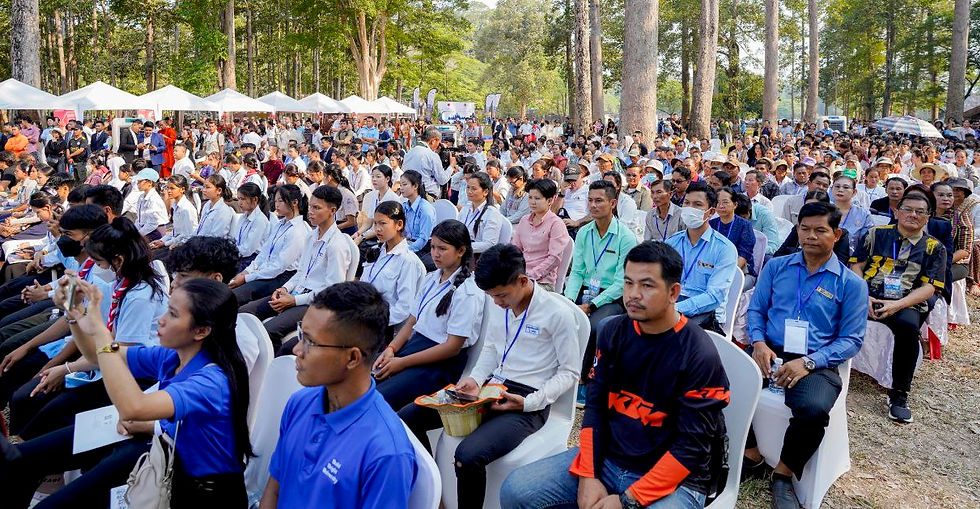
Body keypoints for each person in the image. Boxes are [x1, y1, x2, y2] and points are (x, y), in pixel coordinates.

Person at [500, 241, 730, 509]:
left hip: (676, 480)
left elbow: (691, 449)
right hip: (610, 459)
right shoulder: (612, 332)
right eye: (628, 283)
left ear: (673, 292)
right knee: (516, 490)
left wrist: (627, 501)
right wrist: (588, 475)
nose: (633, 294)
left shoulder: (699, 353)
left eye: (647, 286)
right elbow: (595, 407)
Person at [1, 278, 250, 507]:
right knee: (21, 460)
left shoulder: (211, 381)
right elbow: (96, 356)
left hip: (197, 492)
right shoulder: (172, 356)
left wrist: (100, 332)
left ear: (201, 331)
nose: (161, 319)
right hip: (167, 458)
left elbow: (133, 408)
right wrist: (75, 314)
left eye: (173, 314)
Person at [399, 244, 580, 507]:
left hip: (526, 400)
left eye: (502, 295)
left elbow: (570, 372)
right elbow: (492, 348)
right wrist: (475, 379)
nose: (497, 302)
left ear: (522, 280)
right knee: (408, 417)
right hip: (491, 387)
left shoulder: (557, 314)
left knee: (468, 456)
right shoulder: (500, 304)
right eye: (492, 296)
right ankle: (433, 493)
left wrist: (529, 402)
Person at [744, 202, 868, 508]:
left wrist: (810, 362)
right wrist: (758, 343)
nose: (810, 236)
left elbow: (851, 339)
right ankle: (752, 453)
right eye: (805, 229)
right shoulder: (777, 267)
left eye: (820, 230)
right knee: (719, 383)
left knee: (813, 409)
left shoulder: (851, 284)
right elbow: (756, 310)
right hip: (769, 349)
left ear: (837, 234)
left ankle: (783, 474)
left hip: (817, 360)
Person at [7, 217, 169, 440]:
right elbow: (100, 344)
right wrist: (72, 311)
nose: (96, 267)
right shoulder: (120, 283)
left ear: (118, 260)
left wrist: (66, 367)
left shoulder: (139, 295)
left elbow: (112, 350)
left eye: (99, 262)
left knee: (46, 411)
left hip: (133, 376)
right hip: (106, 361)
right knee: (29, 396)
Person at [259, 282, 418, 508]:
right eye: (301, 334)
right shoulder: (300, 402)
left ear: (352, 358)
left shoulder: (386, 453)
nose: (297, 350)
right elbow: (274, 489)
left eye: (310, 342)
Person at [850, 193, 946, 423]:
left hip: (905, 301)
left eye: (920, 212)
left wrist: (897, 305)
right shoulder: (875, 234)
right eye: (908, 209)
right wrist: (863, 296)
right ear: (897, 212)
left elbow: (930, 288)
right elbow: (856, 266)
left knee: (907, 328)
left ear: (928, 217)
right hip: (867, 294)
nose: (913, 215)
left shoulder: (934, 247)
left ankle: (899, 394)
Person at [372, 220, 484, 410]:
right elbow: (411, 322)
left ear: (461, 251)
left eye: (442, 248)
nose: (435, 253)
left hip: (440, 364)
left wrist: (402, 362)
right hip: (416, 348)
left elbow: (452, 347)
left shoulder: (467, 293)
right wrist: (391, 349)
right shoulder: (431, 278)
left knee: (379, 397)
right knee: (364, 380)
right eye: (432, 247)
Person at [240, 185, 351, 352]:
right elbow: (301, 272)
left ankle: (275, 363)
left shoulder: (337, 245)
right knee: (246, 311)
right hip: (295, 292)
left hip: (314, 302)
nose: (310, 212)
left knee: (268, 331)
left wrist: (295, 300)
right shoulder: (311, 236)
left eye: (316, 208)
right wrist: (285, 289)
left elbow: (331, 291)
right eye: (310, 206)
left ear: (332, 210)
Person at [563, 180, 638, 395]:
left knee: (594, 326)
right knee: (561, 315)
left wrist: (592, 305)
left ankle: (585, 379)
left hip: (610, 296)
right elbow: (577, 272)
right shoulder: (585, 232)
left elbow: (620, 282)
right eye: (590, 200)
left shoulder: (625, 237)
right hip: (584, 290)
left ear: (612, 203)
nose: (593, 205)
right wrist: (569, 300)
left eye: (599, 200)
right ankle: (561, 372)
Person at [665, 182, 738, 332]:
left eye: (697, 204)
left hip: (705, 314)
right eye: (686, 203)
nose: (690, 208)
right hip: (670, 305)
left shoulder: (724, 248)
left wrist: (675, 309)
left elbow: (714, 296)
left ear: (711, 212)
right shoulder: (672, 242)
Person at [229, 185, 311, 304]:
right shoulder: (280, 224)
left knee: (236, 295)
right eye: (276, 201)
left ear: (294, 202)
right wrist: (246, 272)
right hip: (266, 271)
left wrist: (247, 278)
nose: (276, 205)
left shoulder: (298, 231)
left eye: (280, 201)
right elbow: (264, 253)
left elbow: (279, 266)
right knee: (231, 286)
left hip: (281, 276)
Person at [361, 200, 427, 341]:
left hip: (386, 327)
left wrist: (373, 321)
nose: (377, 229)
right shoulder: (376, 251)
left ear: (399, 225)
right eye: (375, 224)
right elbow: (363, 284)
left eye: (383, 223)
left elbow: (404, 307)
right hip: (365, 315)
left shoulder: (407, 261)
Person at [512, 178, 573, 291]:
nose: (532, 202)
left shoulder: (556, 224)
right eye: (530, 197)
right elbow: (515, 250)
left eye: (537, 198)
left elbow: (554, 259)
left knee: (511, 294)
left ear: (549, 200)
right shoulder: (524, 220)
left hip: (542, 282)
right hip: (520, 275)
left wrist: (530, 275)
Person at [709, 188, 757, 289]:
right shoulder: (711, 224)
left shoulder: (744, 225)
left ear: (735, 205)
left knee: (729, 290)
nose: (721, 206)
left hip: (740, 272)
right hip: (713, 270)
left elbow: (744, 255)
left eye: (725, 202)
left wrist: (725, 275)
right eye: (717, 202)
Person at [149, 174, 199, 259]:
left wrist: (166, 243)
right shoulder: (175, 205)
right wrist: (162, 240)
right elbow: (175, 231)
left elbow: (187, 235)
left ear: (182, 189)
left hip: (183, 247)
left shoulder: (186, 209)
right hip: (175, 243)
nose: (169, 191)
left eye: (172, 188)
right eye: (168, 188)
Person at [457, 171, 505, 255]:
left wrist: (463, 248)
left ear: (485, 192)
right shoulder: (466, 208)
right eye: (468, 187)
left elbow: (489, 244)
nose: (469, 191)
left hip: (476, 255)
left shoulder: (492, 213)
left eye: (474, 189)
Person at [353, 164, 400, 246]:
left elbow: (385, 226)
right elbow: (369, 221)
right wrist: (358, 233)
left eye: (378, 177)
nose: (374, 179)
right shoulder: (373, 196)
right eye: (373, 176)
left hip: (385, 238)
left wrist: (362, 237)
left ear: (387, 179)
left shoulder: (393, 199)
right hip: (371, 235)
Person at [400, 169, 437, 271]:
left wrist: (405, 250)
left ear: (415, 186)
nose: (401, 188)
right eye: (400, 185)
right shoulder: (404, 206)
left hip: (423, 248)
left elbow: (423, 239)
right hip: (408, 244)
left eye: (404, 184)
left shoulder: (425, 209)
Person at [832, 174, 875, 254]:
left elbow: (867, 242)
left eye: (846, 187)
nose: (840, 190)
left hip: (853, 258)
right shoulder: (824, 210)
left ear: (854, 192)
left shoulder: (864, 214)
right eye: (837, 186)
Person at [402, 127, 450, 197]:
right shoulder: (432, 155)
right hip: (427, 196)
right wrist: (451, 166)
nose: (438, 146)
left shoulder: (409, 153)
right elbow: (442, 180)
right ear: (433, 141)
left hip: (411, 194)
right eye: (438, 143)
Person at [234, 182, 272, 270]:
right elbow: (236, 239)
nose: (239, 203)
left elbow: (248, 249)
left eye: (243, 199)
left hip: (252, 260)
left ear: (255, 199)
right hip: (239, 255)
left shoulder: (260, 220)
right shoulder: (243, 217)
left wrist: (230, 253)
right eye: (238, 199)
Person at [131, 168, 168, 240]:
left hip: (155, 232)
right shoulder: (141, 197)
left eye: (140, 181)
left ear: (150, 183)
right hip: (144, 230)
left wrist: (138, 235)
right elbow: (139, 219)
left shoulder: (154, 199)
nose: (138, 184)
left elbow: (153, 223)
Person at [196, 173, 237, 238]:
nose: (203, 190)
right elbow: (199, 230)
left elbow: (216, 237)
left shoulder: (223, 211)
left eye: (207, 187)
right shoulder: (207, 205)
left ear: (219, 190)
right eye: (203, 187)